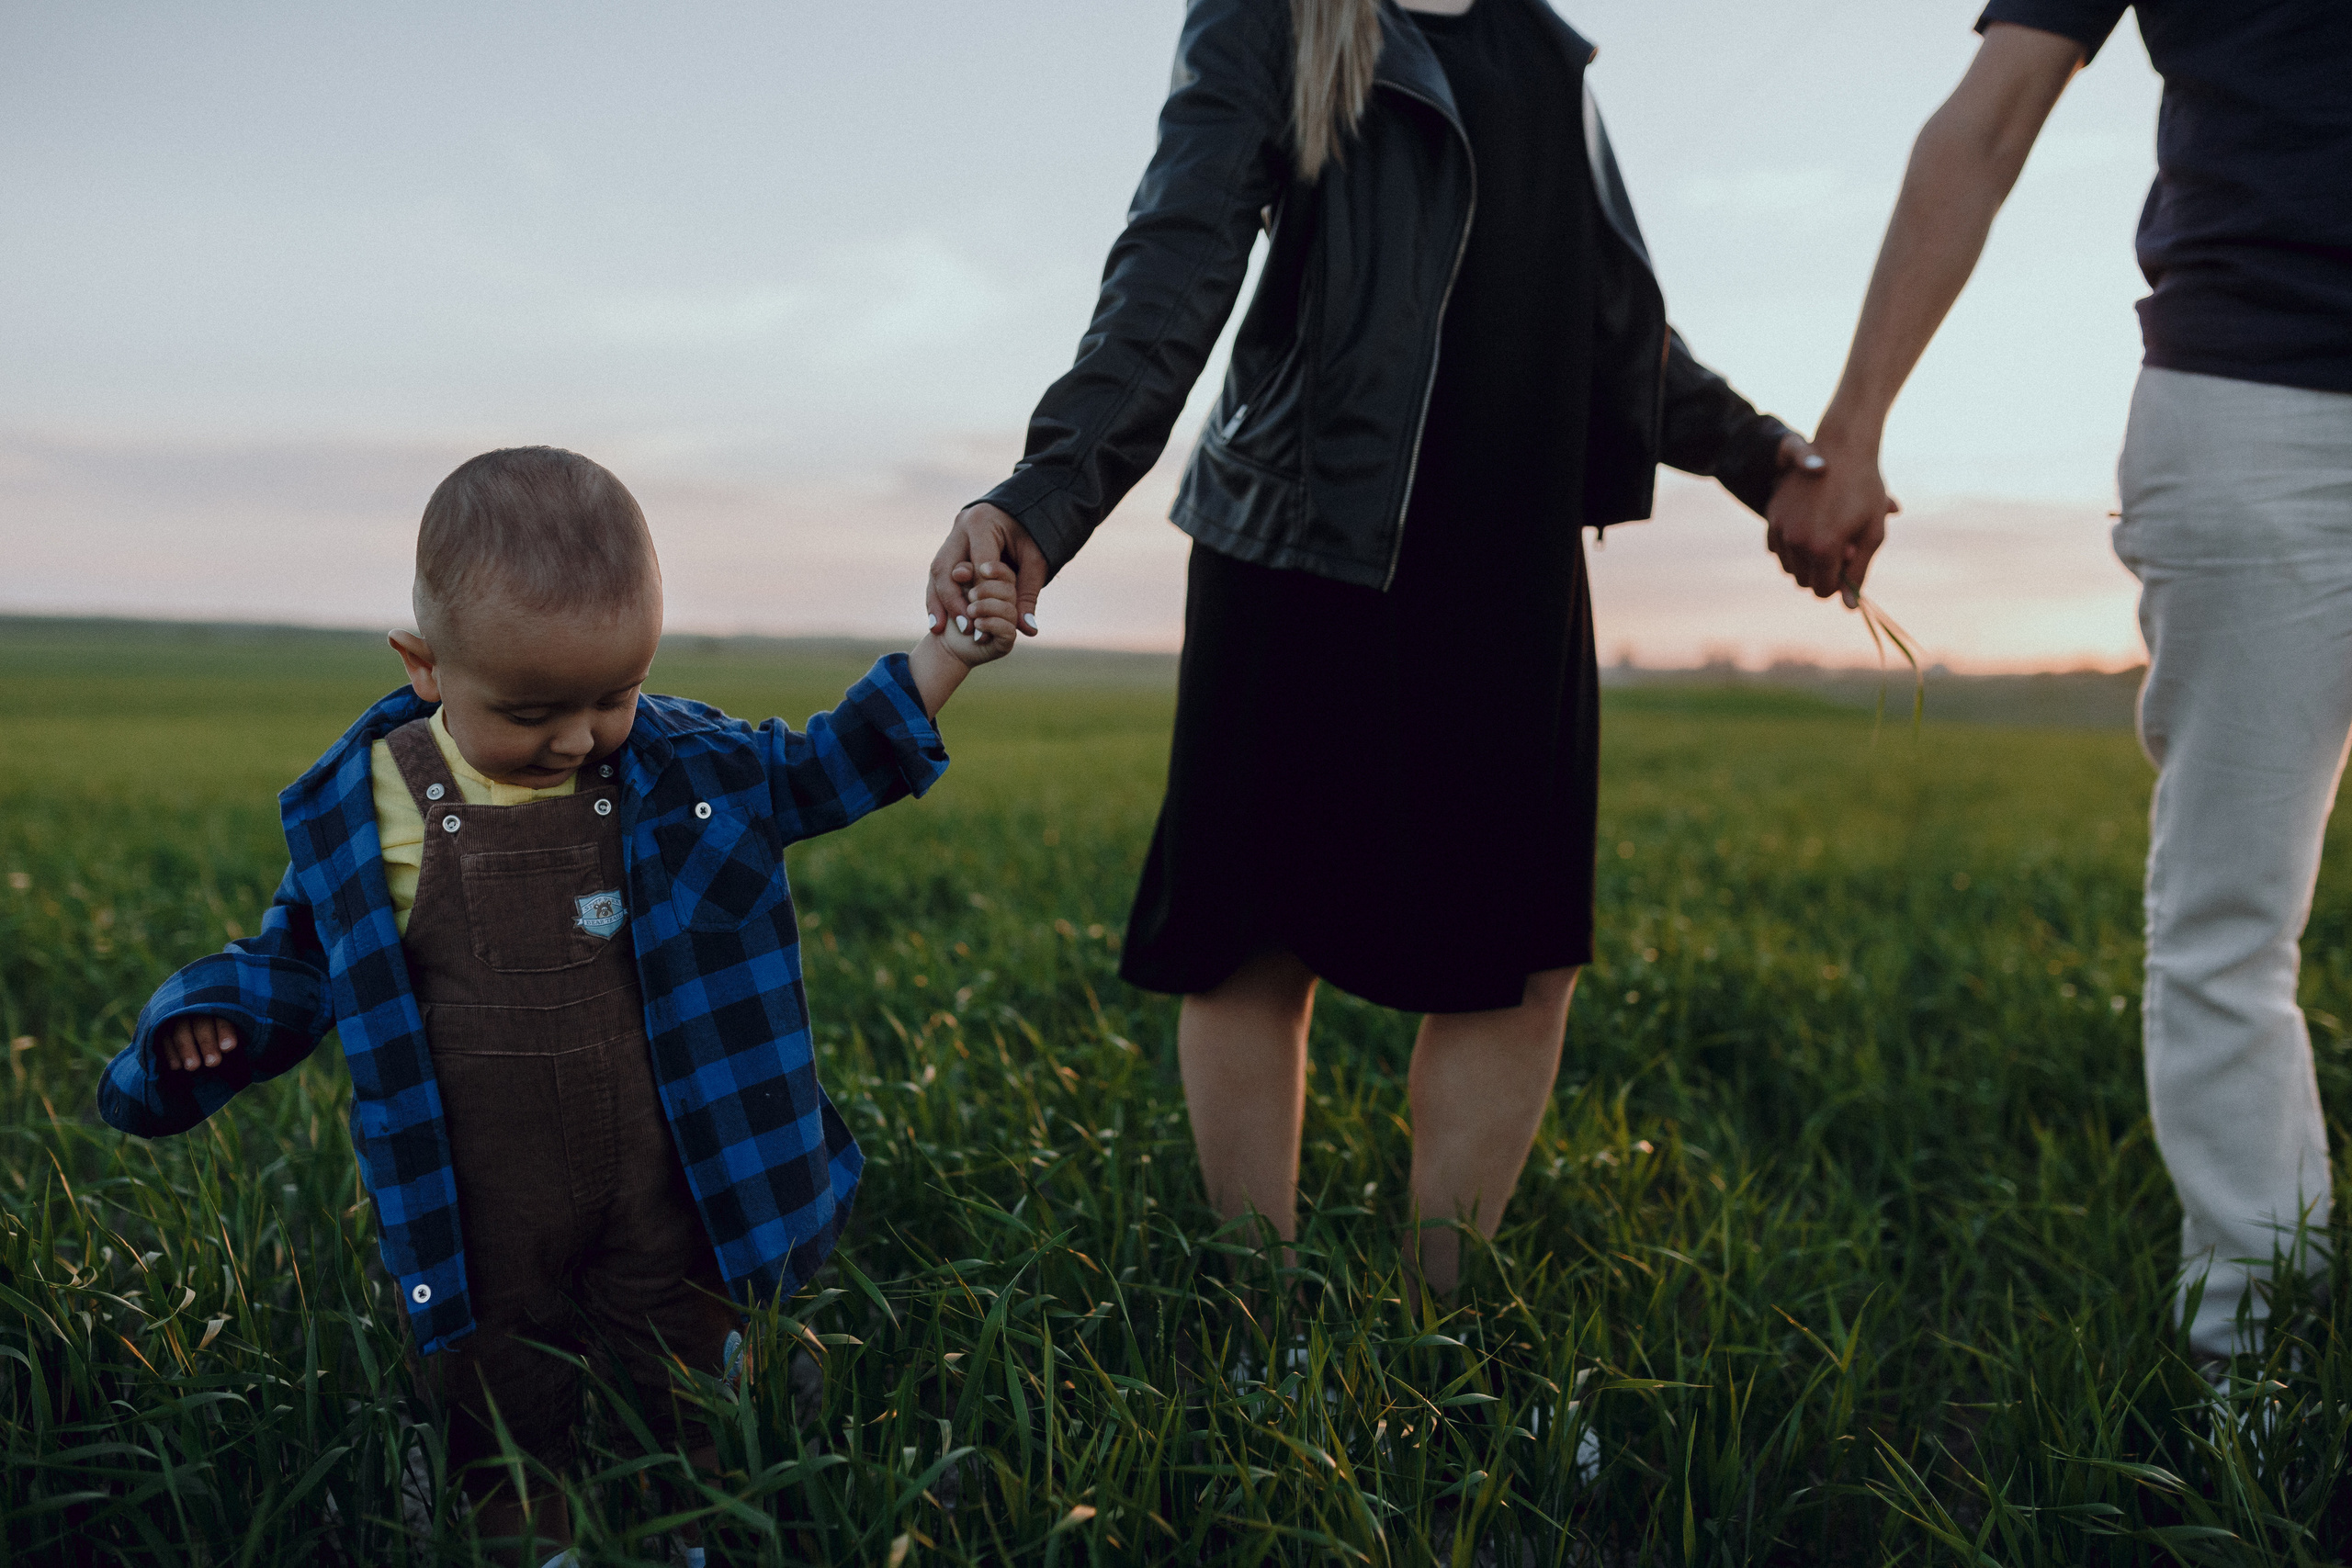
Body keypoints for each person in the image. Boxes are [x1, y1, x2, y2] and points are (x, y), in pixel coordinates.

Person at [924, 0, 1822, 1302]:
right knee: (1251, 942)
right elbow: (1172, 266)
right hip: (1302, 541)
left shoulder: (1543, 49)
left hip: (1510, 554)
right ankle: (1258, 1318)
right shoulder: (1274, 17)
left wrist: (1764, 457)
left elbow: (1605, 317)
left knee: (1518, 960)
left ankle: (1433, 1332)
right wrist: (1045, 495)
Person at [97, 446, 1020, 1566]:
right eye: (533, 710)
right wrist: (212, 1019)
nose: (580, 737)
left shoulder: (683, 768)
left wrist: (946, 656)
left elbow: (823, 767)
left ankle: (697, 1522)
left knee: (682, 1365)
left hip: (663, 1176)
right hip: (477, 1196)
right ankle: (529, 1538)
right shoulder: (372, 805)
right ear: (426, 666)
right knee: (497, 1392)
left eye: (615, 696)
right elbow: (297, 956)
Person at [1768, 6, 2351, 1364]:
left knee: (2224, 931)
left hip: (2247, 416)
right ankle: (2254, 1361)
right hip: (2255, 400)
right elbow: (1989, 119)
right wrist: (1852, 425)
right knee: (2228, 917)